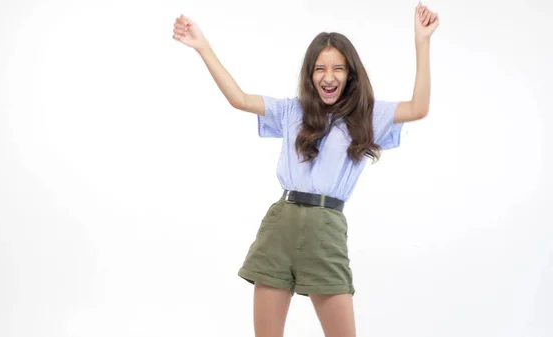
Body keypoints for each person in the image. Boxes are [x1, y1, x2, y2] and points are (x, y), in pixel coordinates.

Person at [172, 2, 439, 337]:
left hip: (326, 229)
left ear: (350, 75)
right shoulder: (291, 111)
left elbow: (418, 108)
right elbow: (239, 98)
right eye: (319, 69)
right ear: (310, 75)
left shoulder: (367, 115)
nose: (328, 77)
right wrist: (203, 47)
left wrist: (422, 42)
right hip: (281, 223)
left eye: (338, 69)